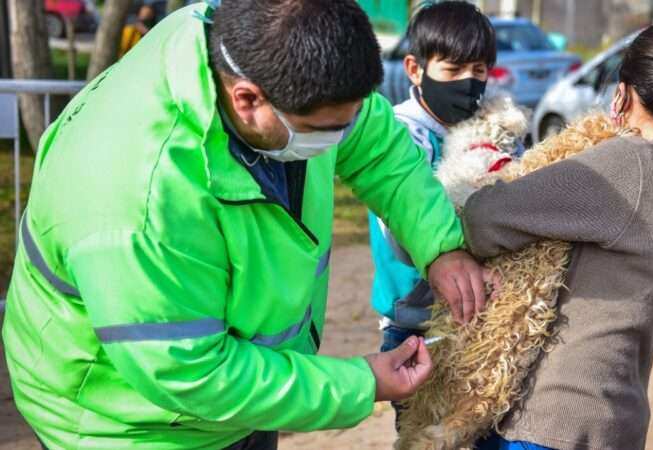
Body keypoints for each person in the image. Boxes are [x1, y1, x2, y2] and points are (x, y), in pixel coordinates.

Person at [1, 1, 486, 449]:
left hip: (254, 396)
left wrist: (440, 245)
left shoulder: (270, 61)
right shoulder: (140, 204)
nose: (344, 136)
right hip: (130, 425)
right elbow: (192, 373)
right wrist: (361, 383)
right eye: (328, 130)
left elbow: (377, 144)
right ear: (248, 99)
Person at [465, 19, 653, 450]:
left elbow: (483, 220)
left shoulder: (630, 166)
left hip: (550, 421)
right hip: (619, 421)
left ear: (623, 92)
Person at [369, 1, 497, 358]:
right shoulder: (400, 139)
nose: (468, 82)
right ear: (415, 69)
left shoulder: (493, 128)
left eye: (479, 69)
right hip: (417, 324)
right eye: (453, 69)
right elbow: (403, 232)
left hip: (485, 314)